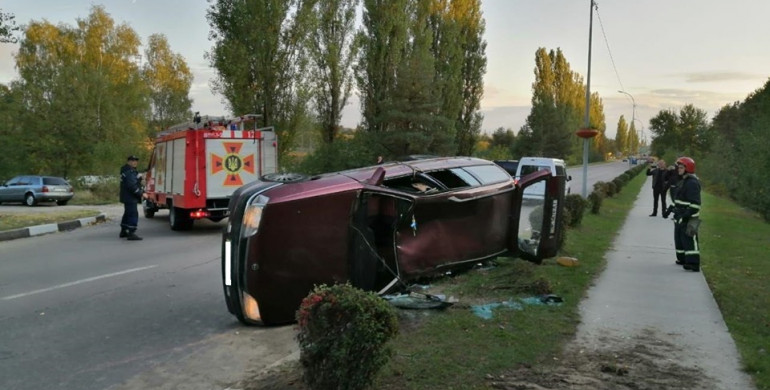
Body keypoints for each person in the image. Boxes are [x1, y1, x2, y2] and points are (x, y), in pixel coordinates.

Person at [667, 157, 702, 272]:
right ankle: (683, 259)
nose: (678, 169)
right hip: (681, 215)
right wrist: (670, 209)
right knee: (680, 239)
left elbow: (695, 204)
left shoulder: (692, 183)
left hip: (691, 218)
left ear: (688, 169)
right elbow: (679, 199)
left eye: (681, 167)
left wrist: (685, 216)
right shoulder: (683, 181)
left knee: (690, 240)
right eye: (678, 167)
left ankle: (694, 264)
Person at [120, 155, 146, 241]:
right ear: (128, 162)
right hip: (130, 196)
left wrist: (140, 177)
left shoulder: (127, 170)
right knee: (133, 214)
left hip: (126, 196)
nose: (135, 162)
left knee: (127, 213)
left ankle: (123, 230)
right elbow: (132, 186)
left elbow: (134, 178)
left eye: (136, 161)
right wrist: (141, 194)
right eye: (132, 160)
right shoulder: (129, 172)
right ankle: (131, 232)